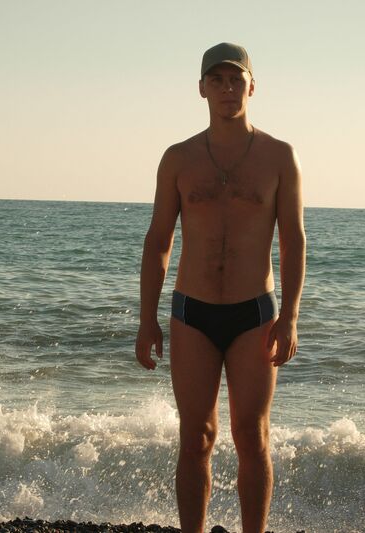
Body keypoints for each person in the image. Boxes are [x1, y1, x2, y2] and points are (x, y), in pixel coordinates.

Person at [135, 42, 306, 533]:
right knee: (197, 437)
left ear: (252, 87)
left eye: (236, 79)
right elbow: (159, 241)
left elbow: (293, 240)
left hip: (255, 314)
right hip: (193, 313)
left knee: (252, 436)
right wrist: (147, 319)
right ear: (202, 89)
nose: (227, 88)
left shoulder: (279, 157)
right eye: (217, 80)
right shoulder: (178, 158)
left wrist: (290, 316)